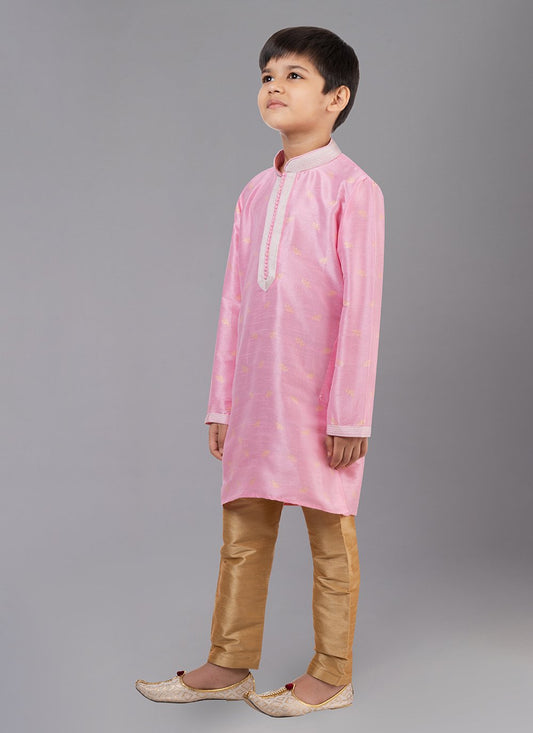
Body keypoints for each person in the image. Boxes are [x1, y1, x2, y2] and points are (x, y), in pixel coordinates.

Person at [135, 25, 385, 718]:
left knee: (330, 535)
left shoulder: (353, 190)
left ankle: (332, 673)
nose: (273, 85)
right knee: (242, 532)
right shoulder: (253, 192)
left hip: (321, 399)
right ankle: (229, 661)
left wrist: (349, 414)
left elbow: (362, 308)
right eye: (267, 75)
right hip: (255, 395)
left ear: (336, 98)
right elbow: (233, 303)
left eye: (294, 75)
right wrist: (222, 402)